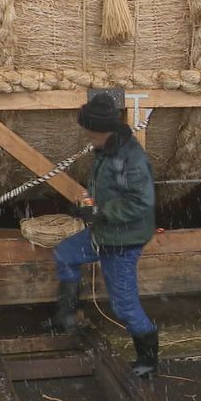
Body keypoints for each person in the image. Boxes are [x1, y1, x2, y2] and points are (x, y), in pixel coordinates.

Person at [49, 93, 159, 378]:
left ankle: (148, 360)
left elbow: (141, 202)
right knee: (66, 253)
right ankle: (68, 315)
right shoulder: (105, 150)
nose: (86, 135)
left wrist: (102, 212)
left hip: (123, 241)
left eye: (89, 131)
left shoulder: (129, 159)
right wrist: (87, 206)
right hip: (104, 232)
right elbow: (105, 190)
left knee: (124, 306)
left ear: (102, 129)